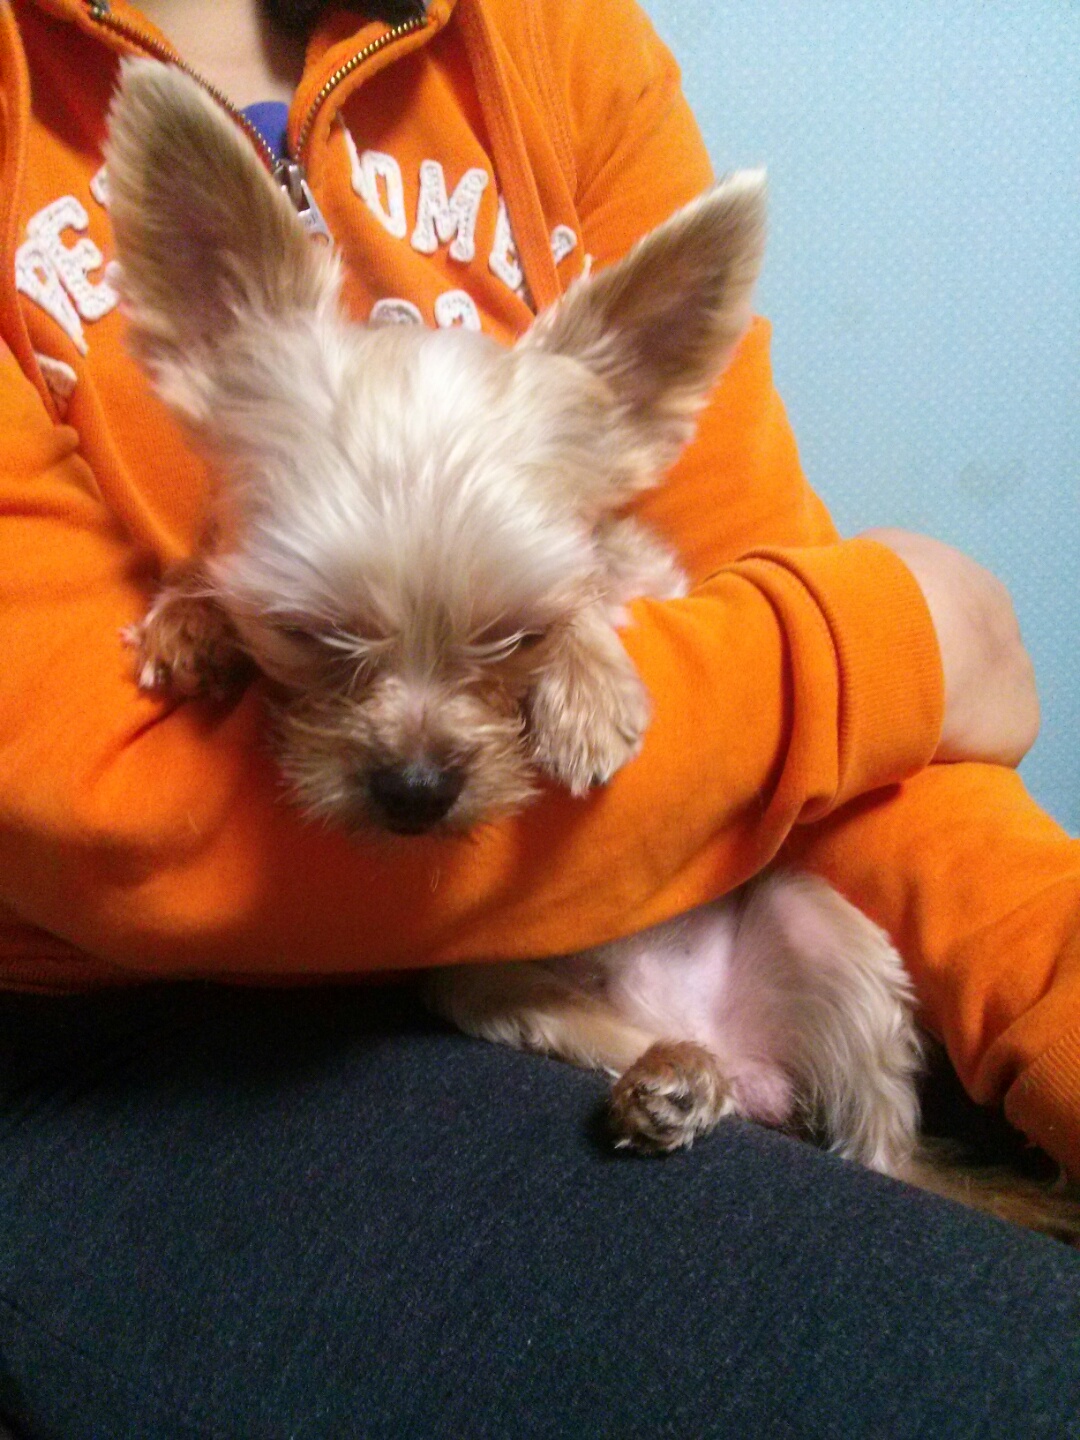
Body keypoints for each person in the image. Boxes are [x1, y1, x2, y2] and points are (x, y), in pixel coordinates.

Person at [0, 0, 1077, 1434]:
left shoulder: (553, 41)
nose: (416, 756)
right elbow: (101, 821)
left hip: (639, 940)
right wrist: (900, 643)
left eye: (510, 636)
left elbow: (826, 754)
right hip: (130, 1042)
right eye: (319, 641)